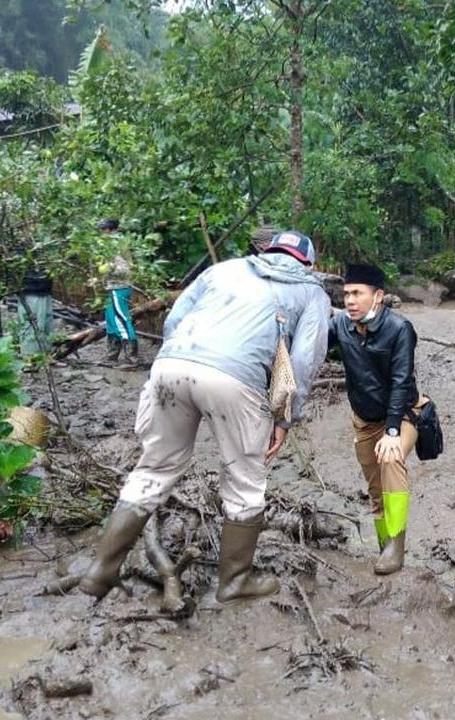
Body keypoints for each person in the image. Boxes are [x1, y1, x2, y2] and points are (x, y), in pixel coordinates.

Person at [77, 230, 330, 603]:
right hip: (234, 378)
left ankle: (101, 571)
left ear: (267, 250)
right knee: (245, 480)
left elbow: (175, 320)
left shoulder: (223, 270)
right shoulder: (312, 293)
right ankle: (234, 580)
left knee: (154, 468)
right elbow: (304, 361)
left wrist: (180, 358)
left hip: (171, 365)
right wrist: (284, 418)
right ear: (308, 263)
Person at [329, 263, 424, 575]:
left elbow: (401, 380)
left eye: (357, 293)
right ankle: (384, 545)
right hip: (365, 420)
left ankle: (396, 545)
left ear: (378, 296)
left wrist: (393, 430)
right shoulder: (341, 325)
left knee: (390, 459)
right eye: (346, 294)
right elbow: (313, 342)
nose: (350, 300)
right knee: (374, 487)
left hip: (404, 413)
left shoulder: (399, 329)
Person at [98, 218, 138, 367]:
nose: (102, 233)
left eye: (104, 230)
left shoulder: (119, 245)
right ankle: (112, 356)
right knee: (111, 322)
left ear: (111, 230)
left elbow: (126, 269)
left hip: (119, 287)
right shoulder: (107, 246)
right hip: (111, 287)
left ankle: (131, 358)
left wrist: (110, 269)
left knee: (122, 321)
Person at [18, 268, 53, 358]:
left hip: (45, 288)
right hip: (30, 291)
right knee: (31, 325)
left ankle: (47, 356)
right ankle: (29, 358)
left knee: (46, 324)